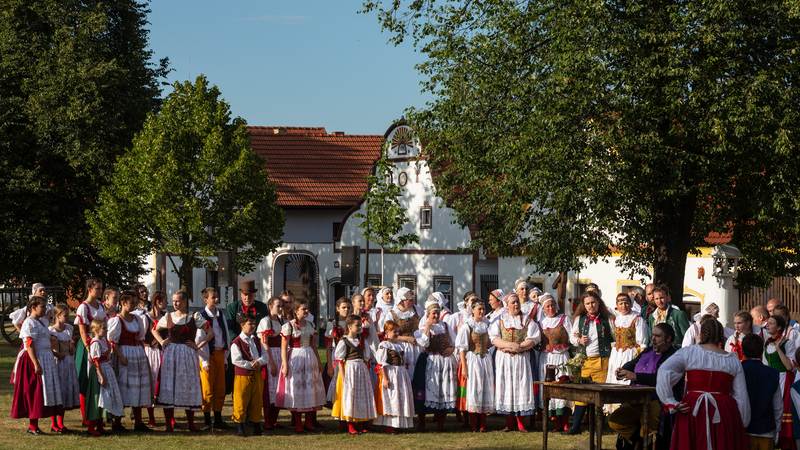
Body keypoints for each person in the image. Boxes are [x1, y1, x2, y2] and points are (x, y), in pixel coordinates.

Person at [657, 319, 750, 450]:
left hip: (693, 407)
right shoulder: (732, 360)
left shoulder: (689, 352)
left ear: (701, 335)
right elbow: (741, 396)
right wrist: (742, 423)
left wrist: (670, 401)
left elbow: (664, 371)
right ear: (720, 336)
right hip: (724, 409)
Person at [609, 323, 682, 450]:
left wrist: (636, 376)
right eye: (652, 335)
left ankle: (646, 445)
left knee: (648, 421)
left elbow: (660, 379)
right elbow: (632, 363)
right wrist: (622, 370)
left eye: (657, 336)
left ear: (668, 338)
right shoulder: (648, 350)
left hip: (658, 400)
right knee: (615, 420)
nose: (653, 339)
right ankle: (638, 440)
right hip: (637, 399)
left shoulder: (673, 356)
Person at [153, 290, 215, 432]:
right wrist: (162, 341)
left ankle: (191, 423)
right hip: (171, 353)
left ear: (185, 301)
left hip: (187, 354)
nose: (175, 303)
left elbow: (211, 332)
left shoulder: (194, 316)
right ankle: (169, 424)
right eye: (174, 301)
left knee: (188, 385)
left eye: (178, 301)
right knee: (170, 386)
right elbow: (154, 329)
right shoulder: (168, 316)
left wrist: (198, 346)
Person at [564, 291, 616, 435]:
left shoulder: (608, 319)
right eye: (588, 303)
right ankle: (576, 427)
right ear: (584, 305)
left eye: (593, 302)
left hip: (602, 360)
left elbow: (615, 337)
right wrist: (579, 341)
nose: (591, 305)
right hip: (584, 361)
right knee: (581, 393)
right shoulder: (579, 319)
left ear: (599, 302)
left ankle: (598, 427)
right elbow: (572, 337)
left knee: (599, 394)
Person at [11, 296, 63, 435]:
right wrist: (36, 363)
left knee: (44, 391)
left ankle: (39, 425)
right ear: (33, 308)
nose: (45, 309)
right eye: (43, 307)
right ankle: (32, 426)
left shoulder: (41, 322)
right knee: (36, 391)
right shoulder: (29, 322)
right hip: (36, 358)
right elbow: (29, 344)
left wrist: (54, 354)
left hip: (46, 357)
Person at [489, 293, 541, 432]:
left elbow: (534, 338)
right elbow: (494, 339)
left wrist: (520, 347)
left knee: (521, 387)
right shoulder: (499, 320)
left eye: (517, 302)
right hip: (504, 359)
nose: (516, 304)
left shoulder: (528, 320)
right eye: (513, 302)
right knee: (506, 388)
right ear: (507, 305)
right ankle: (509, 423)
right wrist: (511, 345)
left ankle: (521, 423)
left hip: (522, 359)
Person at [276, 299, 326, 432]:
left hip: (310, 359)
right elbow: (284, 347)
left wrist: (319, 362)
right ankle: (298, 423)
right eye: (304, 309)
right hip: (296, 358)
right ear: (296, 311)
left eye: (307, 308)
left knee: (311, 390)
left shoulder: (310, 324)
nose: (307, 311)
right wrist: (285, 365)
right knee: (297, 389)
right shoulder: (289, 326)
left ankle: (309, 422)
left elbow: (313, 345)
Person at [107, 290, 152, 432]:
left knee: (138, 388)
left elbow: (140, 340)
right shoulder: (116, 321)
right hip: (124, 356)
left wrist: (143, 356)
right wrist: (121, 357)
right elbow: (113, 342)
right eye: (132, 303)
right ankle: (117, 423)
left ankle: (138, 423)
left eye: (135, 302)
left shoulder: (137, 319)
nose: (134, 305)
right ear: (123, 303)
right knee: (122, 389)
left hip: (137, 356)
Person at [413, 297, 458, 432]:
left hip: (444, 363)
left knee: (444, 390)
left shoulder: (445, 325)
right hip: (429, 361)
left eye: (437, 313)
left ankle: (441, 424)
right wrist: (427, 326)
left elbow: (454, 342)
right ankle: (421, 422)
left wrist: (451, 349)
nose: (436, 316)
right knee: (425, 391)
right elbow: (424, 344)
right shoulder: (421, 329)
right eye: (433, 313)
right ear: (428, 315)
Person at [331, 314, 377, 434]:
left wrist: (366, 373)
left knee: (361, 395)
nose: (360, 327)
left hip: (361, 369)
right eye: (357, 325)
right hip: (349, 369)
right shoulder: (344, 341)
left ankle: (361, 423)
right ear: (349, 326)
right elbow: (340, 361)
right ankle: (350, 424)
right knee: (350, 396)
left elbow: (366, 358)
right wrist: (344, 377)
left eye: (360, 325)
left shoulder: (362, 339)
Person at [456, 298, 495, 432]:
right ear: (472, 310)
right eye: (479, 309)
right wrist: (465, 367)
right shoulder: (467, 326)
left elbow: (491, 342)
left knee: (485, 389)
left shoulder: (487, 324)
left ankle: (482, 424)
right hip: (473, 360)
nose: (482, 311)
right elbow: (462, 348)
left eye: (483, 309)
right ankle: (473, 424)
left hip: (485, 360)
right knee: (474, 391)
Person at [195, 287, 231, 430]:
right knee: (207, 388)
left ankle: (218, 419)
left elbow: (226, 336)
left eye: (217, 296)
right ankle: (206, 422)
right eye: (213, 297)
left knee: (220, 388)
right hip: (208, 355)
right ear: (206, 300)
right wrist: (204, 361)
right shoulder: (201, 315)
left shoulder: (221, 315)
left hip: (219, 354)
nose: (216, 299)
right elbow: (199, 339)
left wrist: (225, 358)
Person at [74, 277, 107, 426]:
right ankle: (86, 418)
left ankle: (97, 417)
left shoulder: (101, 306)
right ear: (89, 290)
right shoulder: (84, 307)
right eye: (97, 288)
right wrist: (88, 347)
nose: (100, 291)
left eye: (101, 288)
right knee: (85, 380)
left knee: (98, 381)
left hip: (100, 344)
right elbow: (82, 330)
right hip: (88, 344)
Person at [740, 333, 782, 450]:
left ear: (742, 351)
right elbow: (778, 405)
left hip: (744, 429)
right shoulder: (772, 373)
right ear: (762, 351)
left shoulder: (739, 370)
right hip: (766, 428)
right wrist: (777, 429)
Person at [230, 312, 269, 437]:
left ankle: (257, 427)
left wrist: (259, 362)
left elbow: (265, 355)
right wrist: (250, 365)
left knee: (257, 400)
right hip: (243, 376)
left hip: (257, 375)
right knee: (241, 400)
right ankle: (240, 428)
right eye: (250, 324)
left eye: (254, 323)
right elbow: (236, 360)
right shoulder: (236, 342)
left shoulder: (256, 340)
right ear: (242, 325)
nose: (253, 326)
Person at [539, 293, 574, 432]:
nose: (551, 308)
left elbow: (571, 337)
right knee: (550, 389)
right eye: (547, 306)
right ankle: (557, 422)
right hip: (546, 359)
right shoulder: (540, 323)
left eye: (552, 305)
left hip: (561, 358)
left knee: (562, 388)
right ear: (543, 308)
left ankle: (565, 423)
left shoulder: (565, 319)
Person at [374, 320, 415, 433]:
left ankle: (399, 424)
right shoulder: (384, 345)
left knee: (401, 398)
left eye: (397, 332)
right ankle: (389, 426)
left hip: (400, 374)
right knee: (392, 399)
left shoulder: (399, 345)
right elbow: (382, 363)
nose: (396, 334)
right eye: (394, 332)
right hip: (391, 374)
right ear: (386, 332)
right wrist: (385, 379)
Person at [763, 314, 797, 450]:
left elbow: (789, 366)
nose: (767, 325)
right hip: (771, 380)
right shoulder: (765, 344)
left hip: (784, 380)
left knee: (784, 411)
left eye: (771, 323)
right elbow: (765, 365)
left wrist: (778, 348)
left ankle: (786, 443)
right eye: (767, 323)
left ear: (779, 327)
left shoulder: (788, 343)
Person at [606, 292, 649, 392]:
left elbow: (643, 343)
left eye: (626, 303)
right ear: (617, 305)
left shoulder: (637, 319)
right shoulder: (616, 319)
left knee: (626, 379)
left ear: (630, 303)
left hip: (630, 353)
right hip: (616, 354)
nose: (624, 306)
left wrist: (641, 360)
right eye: (621, 304)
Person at [87, 318, 124, 434]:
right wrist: (102, 377)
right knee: (98, 398)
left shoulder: (102, 340)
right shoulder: (95, 343)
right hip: (100, 372)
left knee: (105, 398)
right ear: (96, 330)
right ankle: (91, 428)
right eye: (103, 328)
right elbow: (95, 361)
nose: (106, 330)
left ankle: (100, 426)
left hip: (107, 369)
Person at [378, 287, 423, 379]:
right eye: (410, 300)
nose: (412, 302)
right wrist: (407, 338)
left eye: (413, 300)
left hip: (417, 347)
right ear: (402, 301)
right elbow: (388, 335)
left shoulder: (417, 310)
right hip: (402, 347)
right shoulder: (392, 314)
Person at [49, 303, 79, 433]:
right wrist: (56, 353)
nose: (68, 318)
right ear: (57, 316)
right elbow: (47, 347)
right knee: (57, 392)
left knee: (65, 391)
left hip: (68, 362)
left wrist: (72, 347)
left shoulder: (68, 328)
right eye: (65, 315)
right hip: (57, 362)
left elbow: (71, 341)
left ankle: (61, 423)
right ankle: (54, 423)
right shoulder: (51, 331)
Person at [257, 296, 284, 430]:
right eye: (278, 306)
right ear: (270, 306)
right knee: (269, 388)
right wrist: (271, 362)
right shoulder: (265, 321)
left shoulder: (281, 320)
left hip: (280, 354)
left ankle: (274, 420)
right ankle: (267, 421)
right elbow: (264, 343)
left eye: (281, 306)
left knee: (279, 387)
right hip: (270, 355)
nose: (280, 308)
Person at [141, 291, 167, 427]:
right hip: (150, 352)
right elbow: (142, 337)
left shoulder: (166, 316)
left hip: (163, 352)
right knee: (151, 384)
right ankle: (151, 417)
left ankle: (170, 418)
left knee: (164, 384)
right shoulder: (146, 318)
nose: (167, 303)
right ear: (158, 302)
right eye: (165, 300)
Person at [326, 297, 353, 411]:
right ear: (337, 309)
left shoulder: (353, 323)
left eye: (348, 307)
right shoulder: (332, 324)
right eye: (343, 307)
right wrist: (329, 367)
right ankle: (339, 406)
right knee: (339, 380)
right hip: (337, 356)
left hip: (351, 355)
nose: (346, 310)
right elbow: (328, 348)